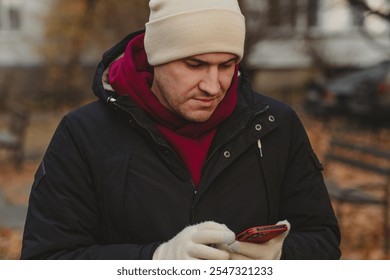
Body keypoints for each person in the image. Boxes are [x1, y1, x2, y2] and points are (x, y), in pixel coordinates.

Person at [21, 0, 341, 260]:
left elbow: (323, 240)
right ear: (158, 57)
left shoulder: (276, 125)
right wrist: (156, 261)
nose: (213, 85)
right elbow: (47, 259)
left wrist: (282, 255)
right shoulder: (83, 134)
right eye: (195, 64)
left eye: (227, 65)